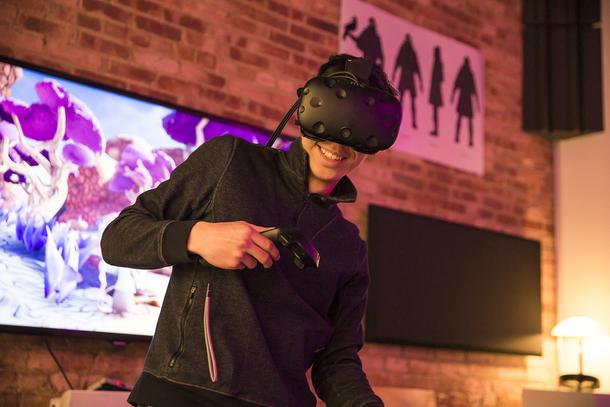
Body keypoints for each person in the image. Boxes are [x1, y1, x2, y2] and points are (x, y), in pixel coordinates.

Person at [101, 54, 398, 407]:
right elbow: (118, 238)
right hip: (182, 395)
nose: (339, 142)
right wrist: (198, 237)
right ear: (306, 107)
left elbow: (336, 360)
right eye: (331, 115)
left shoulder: (349, 248)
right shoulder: (230, 162)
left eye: (359, 129)